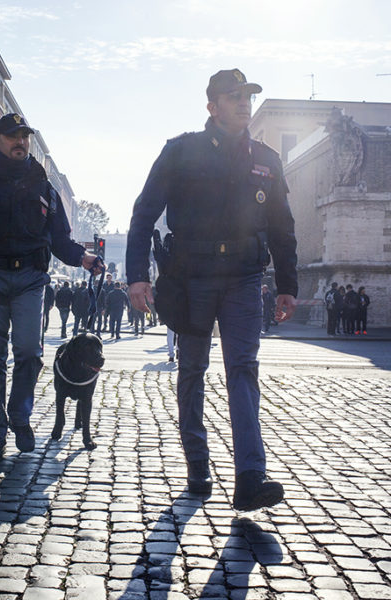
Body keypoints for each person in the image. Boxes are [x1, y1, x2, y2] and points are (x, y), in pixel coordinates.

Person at [126, 69, 298, 512]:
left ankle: (249, 477)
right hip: (192, 277)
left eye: (249, 96)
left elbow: (282, 225)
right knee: (192, 370)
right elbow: (144, 213)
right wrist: (137, 276)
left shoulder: (266, 158)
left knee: (243, 368)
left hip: (243, 279)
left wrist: (287, 285)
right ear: (212, 106)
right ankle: (198, 464)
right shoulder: (180, 152)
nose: (244, 103)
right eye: (234, 96)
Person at [0, 113, 100, 462]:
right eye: (12, 136)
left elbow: (61, 240)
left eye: (24, 136)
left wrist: (82, 258)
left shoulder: (44, 187)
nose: (20, 142)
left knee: (30, 353)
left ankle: (20, 416)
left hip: (31, 279)